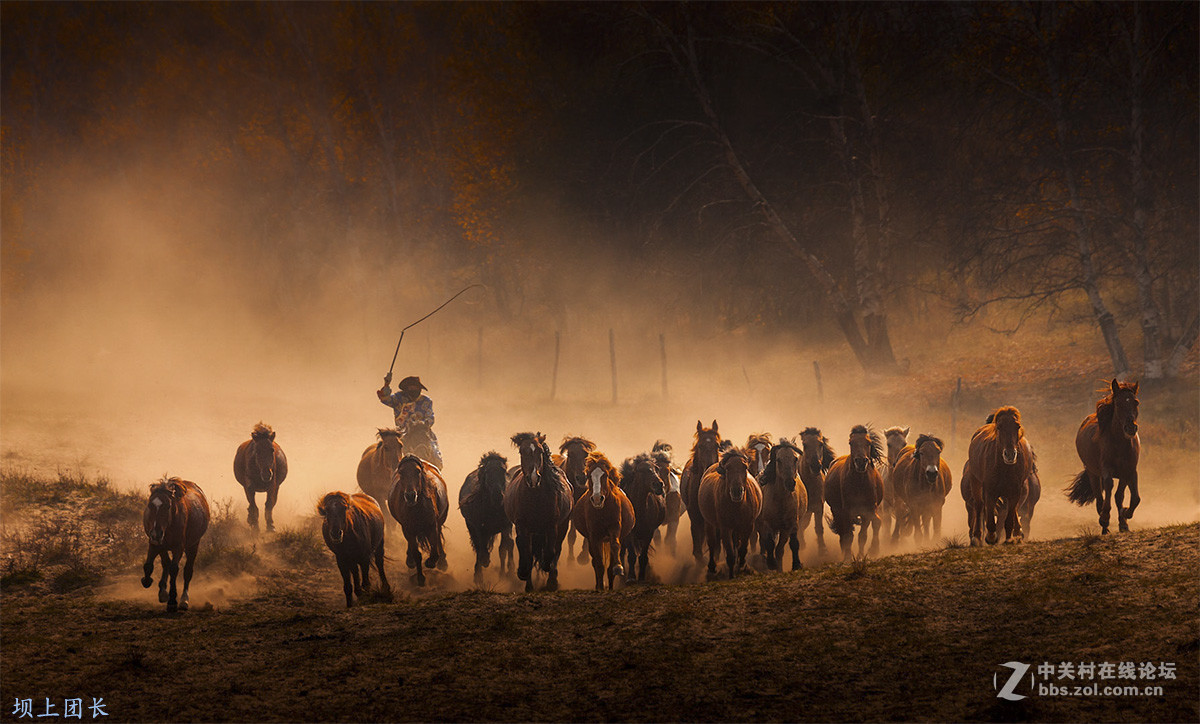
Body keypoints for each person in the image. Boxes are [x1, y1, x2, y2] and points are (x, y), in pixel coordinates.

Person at [377, 374, 443, 469]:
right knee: (394, 452)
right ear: (406, 388)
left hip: (423, 432)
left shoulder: (426, 401)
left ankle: (437, 472)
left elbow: (430, 416)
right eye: (410, 387)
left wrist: (424, 424)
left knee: (435, 455)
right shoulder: (399, 398)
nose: (413, 389)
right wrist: (386, 384)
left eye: (415, 386)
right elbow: (385, 399)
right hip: (403, 433)